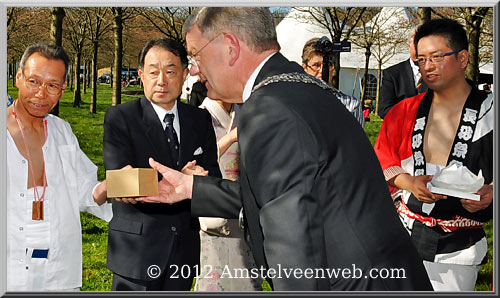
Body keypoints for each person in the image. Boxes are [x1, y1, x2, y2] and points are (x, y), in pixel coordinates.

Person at [137, 7, 433, 291]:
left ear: (230, 46)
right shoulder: (296, 88)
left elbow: (294, 247)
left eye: (194, 55)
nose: (192, 70)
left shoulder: (269, 110)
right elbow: (288, 194)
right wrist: (193, 188)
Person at [374, 18, 493, 291]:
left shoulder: (491, 113)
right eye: (422, 59)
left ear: (462, 58)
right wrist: (409, 183)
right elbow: (380, 158)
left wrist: (491, 193)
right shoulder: (404, 111)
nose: (427, 66)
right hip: (403, 236)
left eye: (437, 57)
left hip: (459, 249)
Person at [103, 37, 221, 291]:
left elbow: (214, 179)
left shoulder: (200, 119)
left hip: (183, 252)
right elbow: (120, 182)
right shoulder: (121, 117)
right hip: (136, 253)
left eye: (170, 71)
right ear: (141, 75)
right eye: (154, 72)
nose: (162, 80)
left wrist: (199, 179)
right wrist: (184, 180)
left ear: (185, 74)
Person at [6, 43, 112, 291]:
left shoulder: (62, 132)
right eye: (33, 81)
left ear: (63, 89)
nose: (42, 93)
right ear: (18, 77)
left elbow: (84, 189)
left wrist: (109, 187)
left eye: (52, 85)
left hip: (59, 269)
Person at [194, 97, 262, 291]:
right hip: (214, 205)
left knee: (247, 276)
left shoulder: (247, 114)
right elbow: (197, 162)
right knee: (214, 276)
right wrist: (231, 137)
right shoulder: (200, 116)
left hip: (245, 205)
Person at [301, 37, 365, 127]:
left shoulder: (350, 106)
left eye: (327, 64)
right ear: (305, 67)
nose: (321, 70)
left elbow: (357, 140)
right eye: (316, 65)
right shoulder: (293, 103)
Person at [378, 26, 428, 119]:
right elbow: (384, 109)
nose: (419, 47)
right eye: (415, 43)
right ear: (409, 46)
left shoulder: (438, 73)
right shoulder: (392, 74)